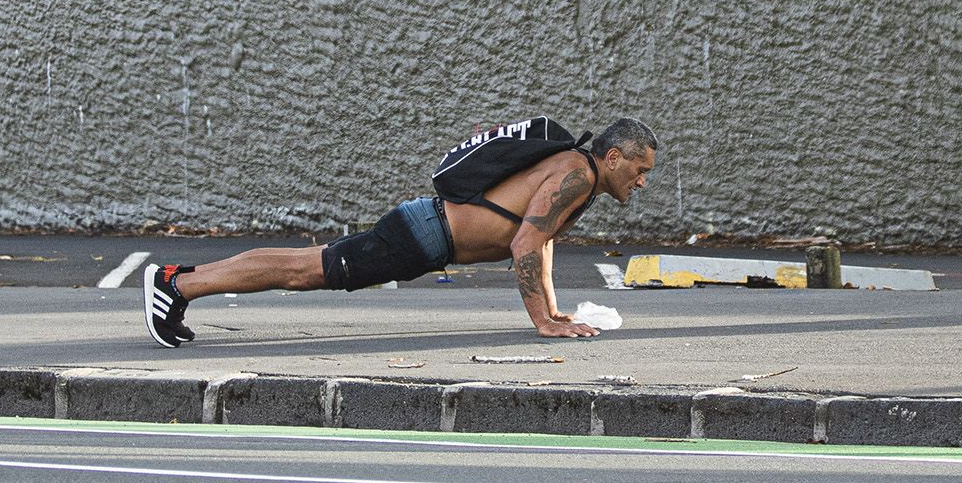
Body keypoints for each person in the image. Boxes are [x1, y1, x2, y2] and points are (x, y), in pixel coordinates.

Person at [144, 117, 657, 346]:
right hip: (421, 234)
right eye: (640, 169)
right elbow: (524, 242)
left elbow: (539, 238)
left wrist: (552, 310)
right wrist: (543, 324)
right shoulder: (576, 173)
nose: (641, 181)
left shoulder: (581, 177)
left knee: (311, 267)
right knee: (307, 271)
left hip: (425, 237)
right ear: (612, 157)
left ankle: (179, 281)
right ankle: (177, 283)